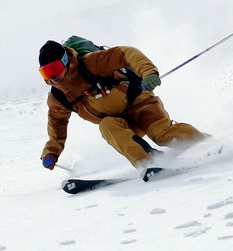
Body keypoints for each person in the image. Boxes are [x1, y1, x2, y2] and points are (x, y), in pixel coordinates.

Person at [38, 40, 209, 171]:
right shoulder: (59, 95)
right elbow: (57, 122)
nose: (52, 76)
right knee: (107, 126)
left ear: (66, 60)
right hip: (120, 123)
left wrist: (148, 72)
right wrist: (52, 151)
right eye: (46, 72)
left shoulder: (92, 63)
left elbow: (126, 54)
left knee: (162, 136)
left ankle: (206, 143)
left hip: (141, 104)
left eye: (55, 68)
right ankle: (149, 162)